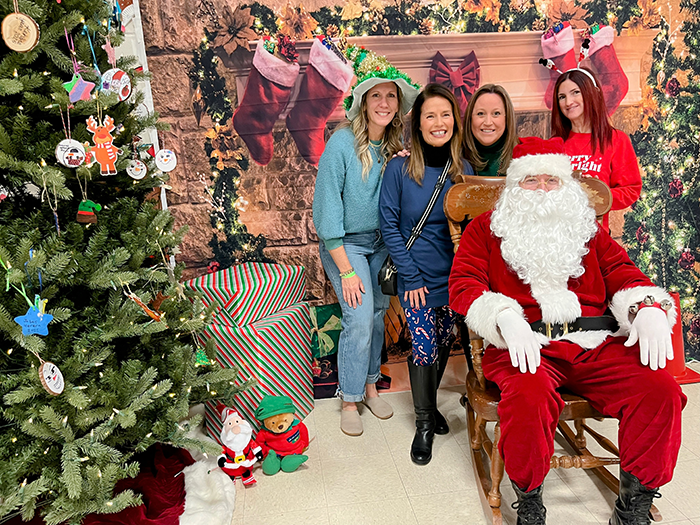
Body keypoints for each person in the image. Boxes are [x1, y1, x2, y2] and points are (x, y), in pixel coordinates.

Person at [449, 136, 686, 525]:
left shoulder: (587, 230)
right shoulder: (484, 230)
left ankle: (634, 509)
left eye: (551, 179)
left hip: (595, 343)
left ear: (565, 184)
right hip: (524, 343)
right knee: (528, 396)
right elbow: (464, 284)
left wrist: (646, 307)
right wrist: (502, 315)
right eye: (531, 180)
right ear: (515, 185)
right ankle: (530, 504)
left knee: (659, 390)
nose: (542, 188)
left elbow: (623, 273)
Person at [312, 46, 420, 437]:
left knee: (376, 314)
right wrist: (345, 270)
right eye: (376, 95)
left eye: (391, 95)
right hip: (345, 244)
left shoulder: (395, 146)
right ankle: (349, 398)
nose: (384, 102)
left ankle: (371, 385)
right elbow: (327, 212)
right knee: (358, 317)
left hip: (381, 243)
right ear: (363, 102)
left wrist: (403, 169)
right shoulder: (341, 144)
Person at [379, 84, 474, 465]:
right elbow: (389, 225)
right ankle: (423, 425)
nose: (439, 122)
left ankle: (430, 406)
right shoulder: (399, 169)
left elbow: (471, 229)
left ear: (455, 121)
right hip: (415, 277)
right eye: (430, 115)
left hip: (452, 279)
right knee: (423, 347)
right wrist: (411, 276)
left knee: (442, 342)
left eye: (445, 115)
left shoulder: (463, 170)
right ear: (417, 124)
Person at [551, 67, 642, 231]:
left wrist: (597, 194)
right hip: (557, 236)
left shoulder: (615, 140)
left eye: (575, 92)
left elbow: (631, 189)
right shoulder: (553, 145)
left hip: (596, 237)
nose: (568, 102)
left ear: (591, 93)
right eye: (562, 97)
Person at [463, 84, 519, 176]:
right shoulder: (454, 157)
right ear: (470, 118)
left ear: (507, 118)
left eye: (496, 113)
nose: (488, 122)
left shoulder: (524, 157)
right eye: (480, 113)